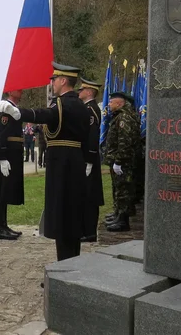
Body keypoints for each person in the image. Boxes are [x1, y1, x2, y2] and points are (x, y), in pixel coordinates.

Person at [0, 61, 90, 261]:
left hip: (62, 165)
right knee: (72, 215)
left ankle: (63, 269)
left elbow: (45, 115)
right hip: (75, 162)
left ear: (64, 80)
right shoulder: (81, 106)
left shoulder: (63, 105)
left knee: (62, 216)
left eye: (55, 79)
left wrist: (19, 112)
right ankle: (71, 262)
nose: (52, 83)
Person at [0, 89, 25, 240]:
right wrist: (2, 157)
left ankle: (4, 224)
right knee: (1, 191)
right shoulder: (6, 110)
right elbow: (1, 135)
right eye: (18, 89)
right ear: (10, 91)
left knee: (7, 190)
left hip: (13, 154)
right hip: (8, 155)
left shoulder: (13, 109)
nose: (21, 91)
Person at [103, 92, 142, 232]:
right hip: (120, 160)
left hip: (124, 161)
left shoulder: (124, 118)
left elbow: (125, 142)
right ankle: (118, 215)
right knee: (119, 189)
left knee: (123, 190)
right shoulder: (120, 116)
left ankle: (123, 221)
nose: (109, 104)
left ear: (120, 103)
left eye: (111, 102)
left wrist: (119, 160)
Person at [78, 78, 104, 243]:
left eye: (82, 89)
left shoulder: (90, 110)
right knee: (86, 194)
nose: (79, 92)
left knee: (89, 195)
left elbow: (92, 137)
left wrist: (88, 160)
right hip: (88, 157)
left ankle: (89, 232)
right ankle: (87, 230)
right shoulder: (88, 109)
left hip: (89, 158)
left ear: (89, 92)